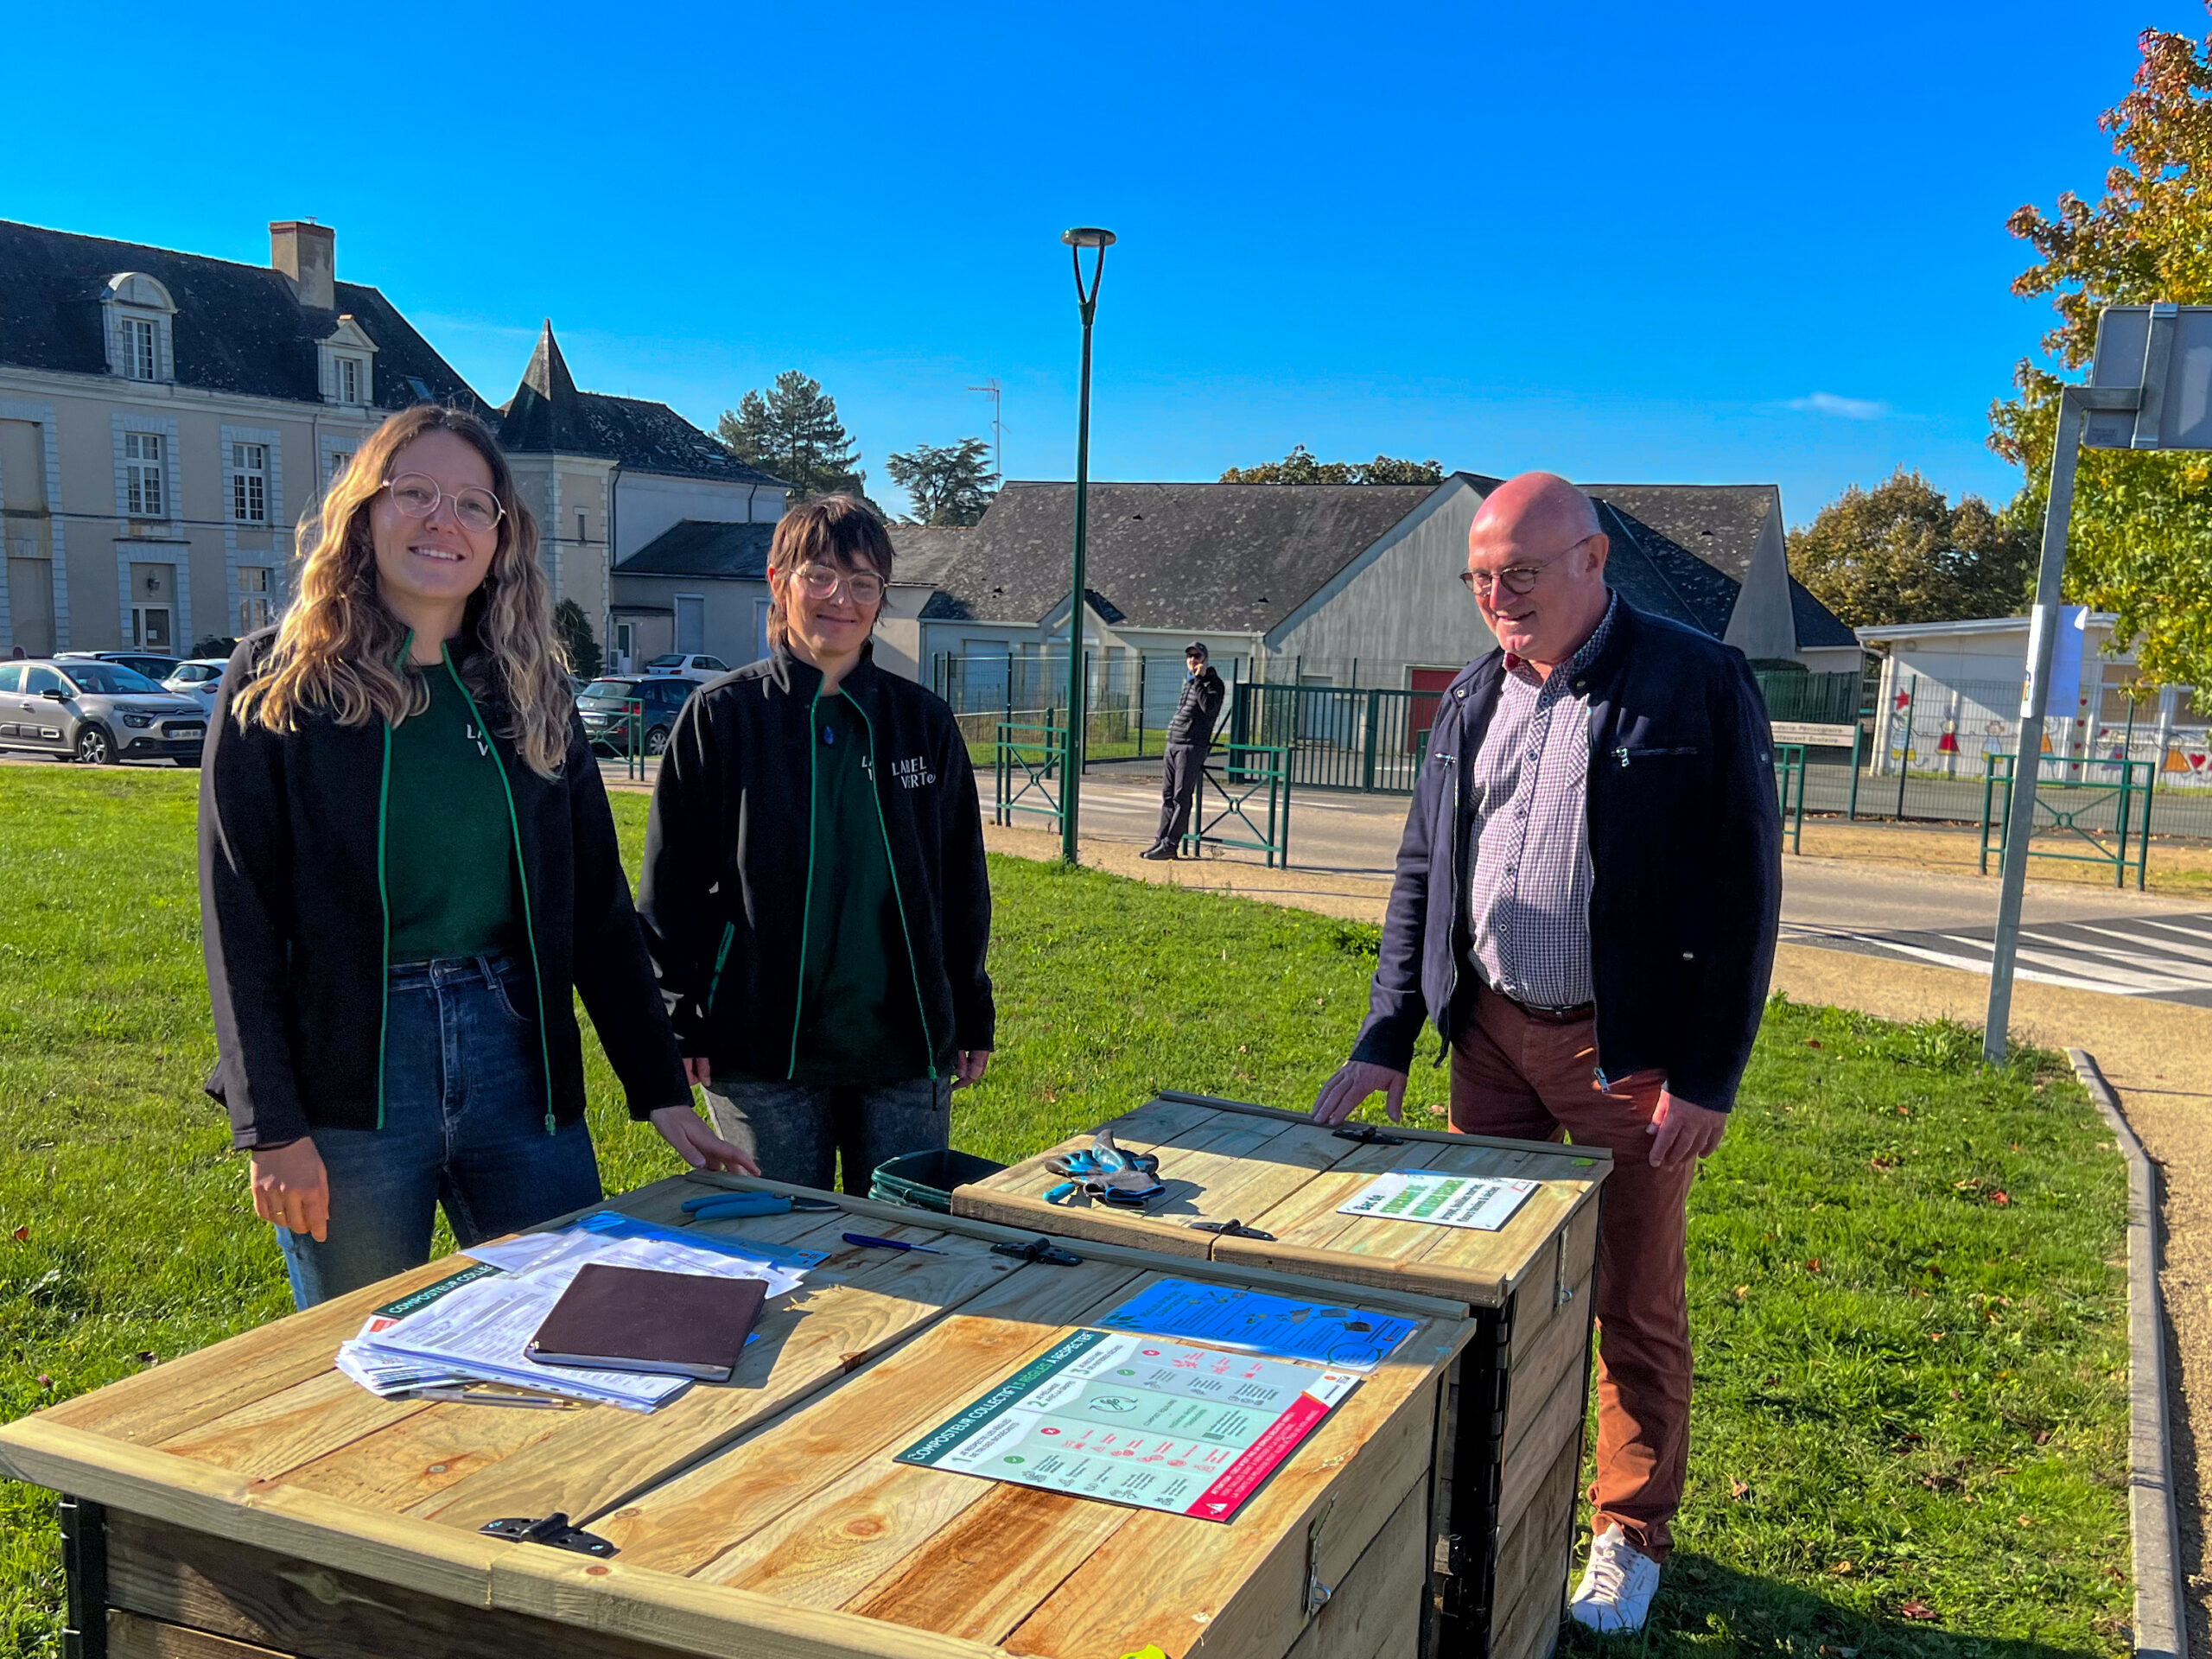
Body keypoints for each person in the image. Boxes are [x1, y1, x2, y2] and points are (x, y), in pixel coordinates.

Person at [1309, 472, 1781, 1633]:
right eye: (1480, 577)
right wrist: (1388, 1038)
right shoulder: (1472, 696)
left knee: (1633, 1299)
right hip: (1491, 1038)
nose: (1499, 596)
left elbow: (1744, 895)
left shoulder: (1694, 683)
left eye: (1521, 571)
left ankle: (1629, 1531)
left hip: (1632, 1057)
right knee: (1494, 1285)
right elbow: (1424, 876)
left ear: (1592, 558)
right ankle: (1494, 1500)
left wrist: (1709, 1075)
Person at [201, 404, 753, 1310]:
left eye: (471, 503)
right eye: (412, 492)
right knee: (370, 1341)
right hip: (349, 1075)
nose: (440, 520)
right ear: (363, 513)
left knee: (568, 1325)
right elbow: (239, 917)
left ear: (501, 536)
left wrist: (660, 1090)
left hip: (515, 1056)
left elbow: (598, 911)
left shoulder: (529, 686)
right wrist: (272, 1129)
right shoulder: (278, 683)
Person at [639, 496, 995, 1192]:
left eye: (864, 583)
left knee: (901, 1246)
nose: (843, 598)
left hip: (902, 1047)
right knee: (777, 1254)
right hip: (759, 1053)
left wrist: (971, 1011)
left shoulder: (921, 722)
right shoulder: (720, 717)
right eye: (821, 576)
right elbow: (668, 890)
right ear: (779, 582)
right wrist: (678, 1023)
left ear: (882, 599)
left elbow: (961, 883)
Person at [1140, 642, 1225, 860]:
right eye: (1189, 657)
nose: (1192, 660)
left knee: (1181, 796)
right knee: (1167, 796)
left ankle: (1171, 844)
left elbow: (1209, 708)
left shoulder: (1213, 683)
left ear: (1205, 659)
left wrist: (1199, 680)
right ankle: (1160, 840)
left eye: (1197, 656)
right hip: (1174, 742)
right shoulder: (1188, 683)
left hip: (1191, 745)